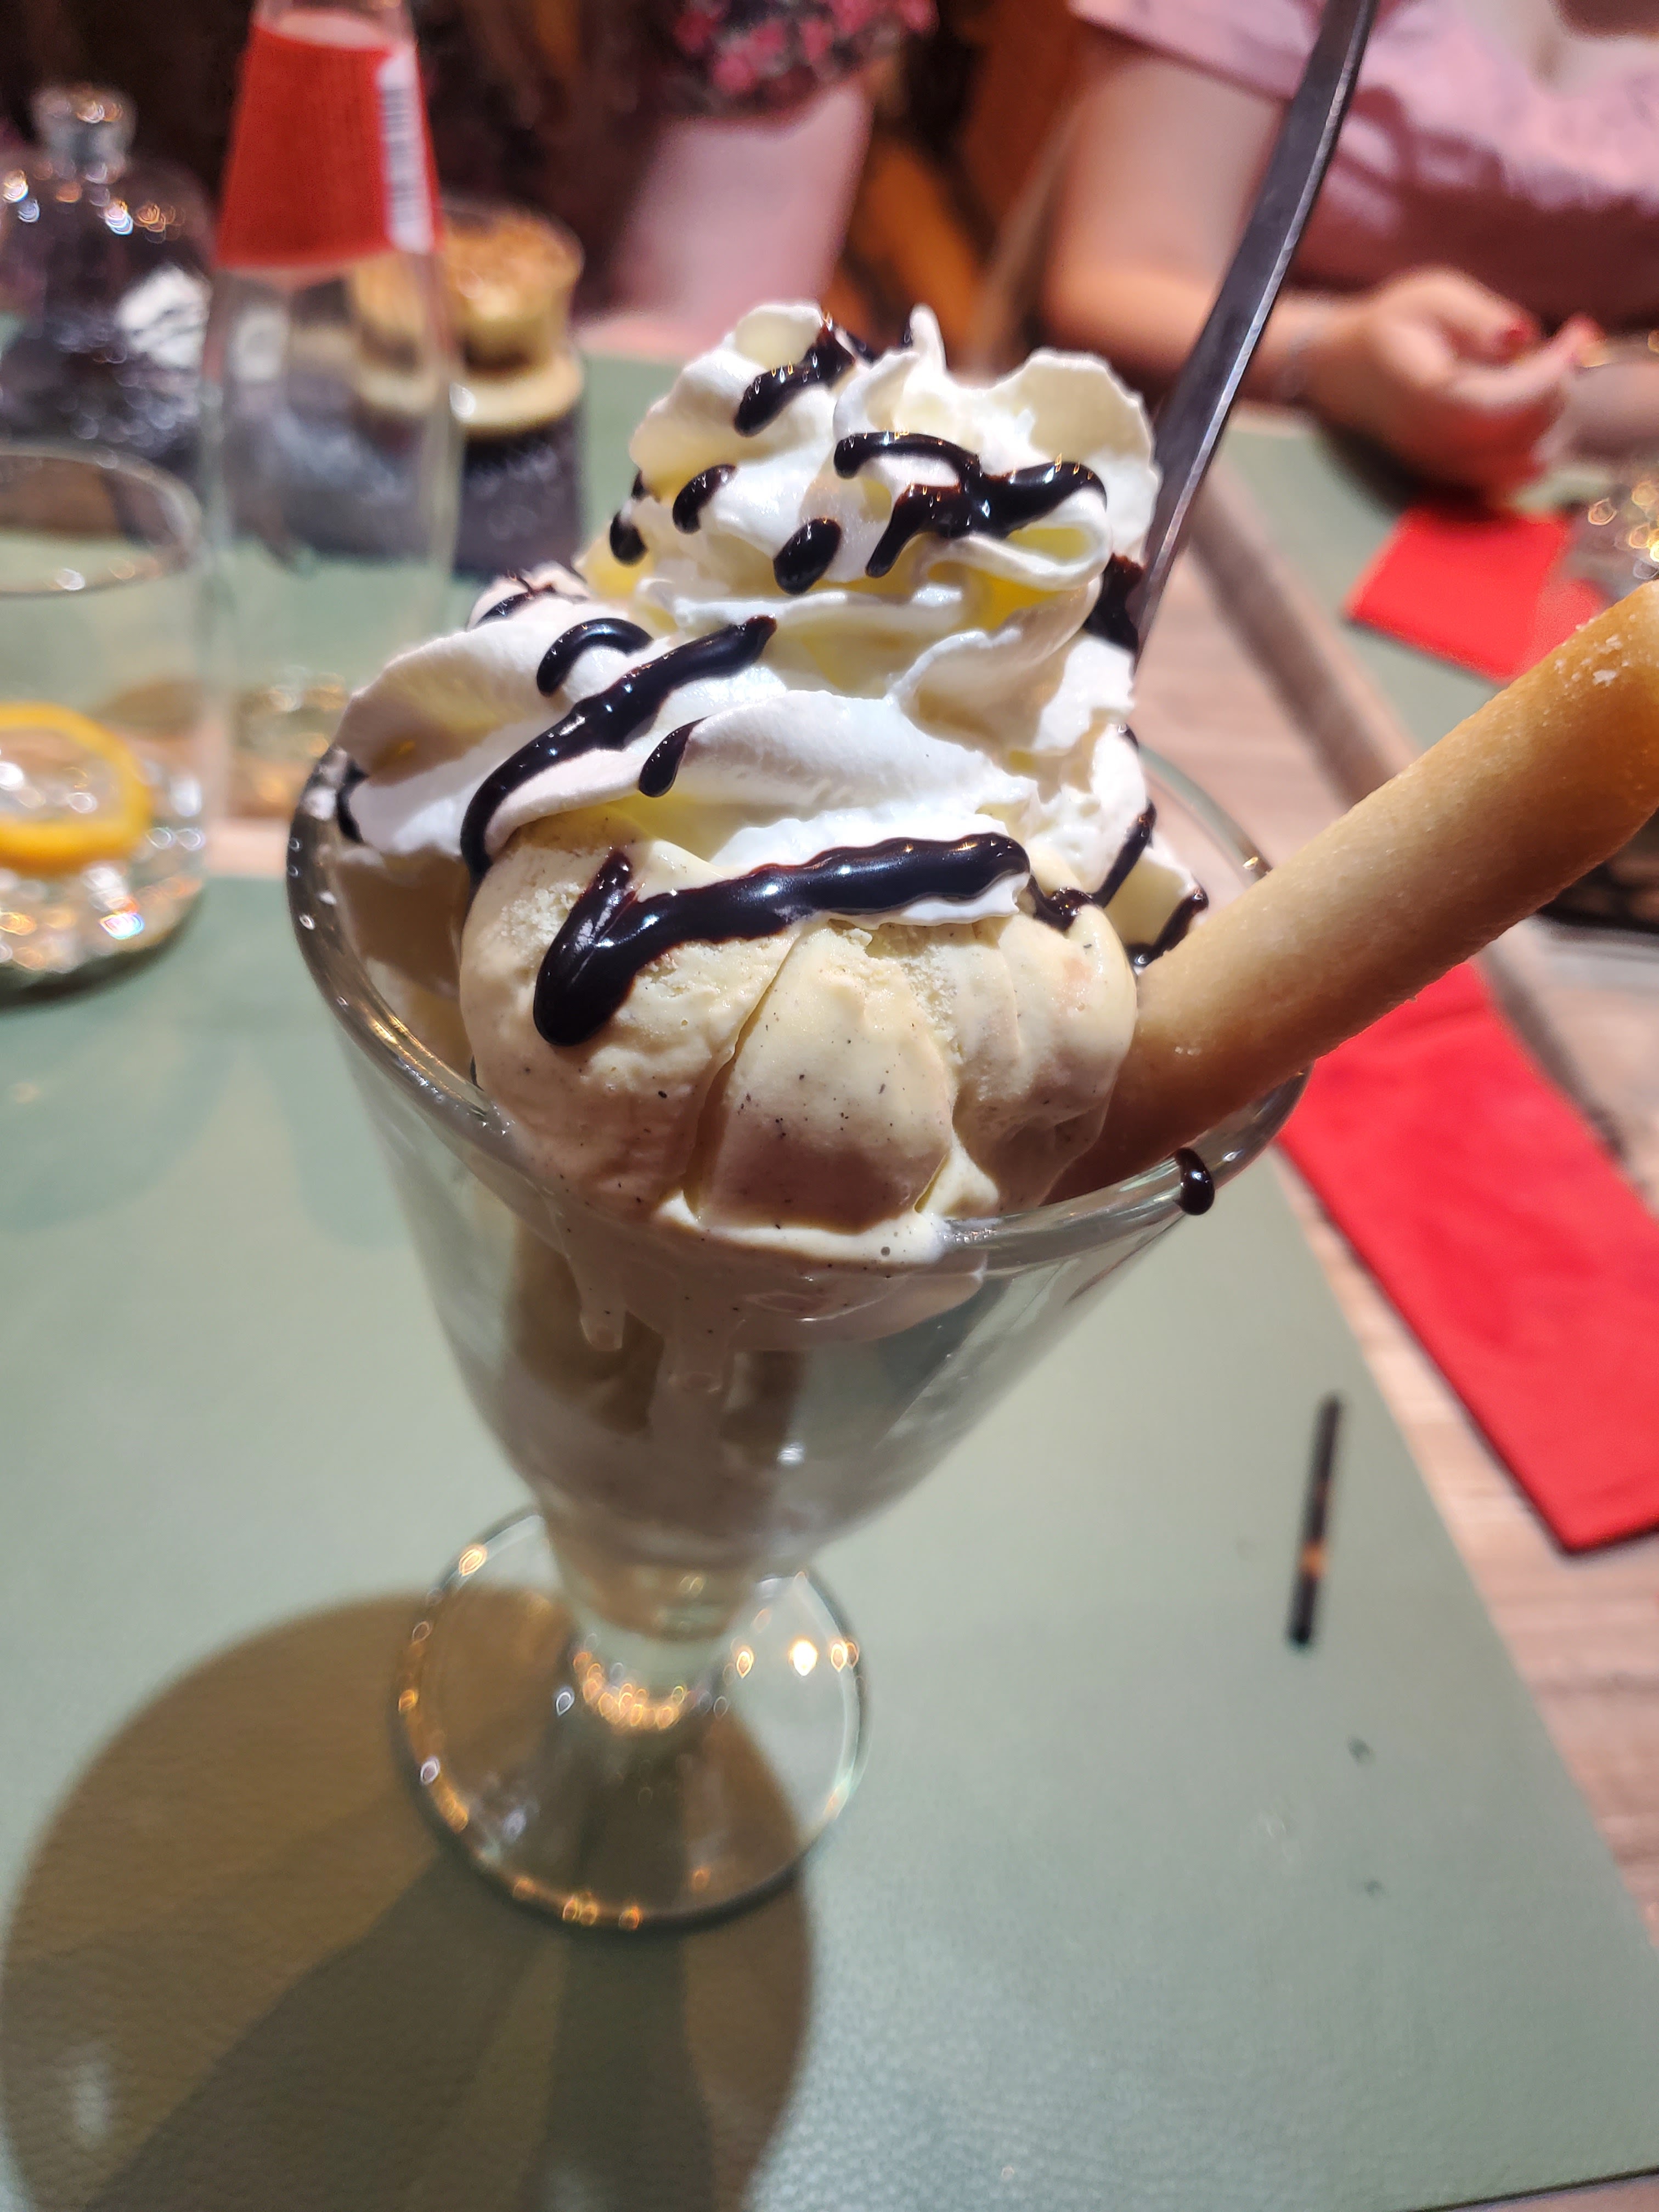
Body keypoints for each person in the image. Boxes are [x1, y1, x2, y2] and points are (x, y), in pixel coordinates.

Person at [1041, 0, 1659, 492]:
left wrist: (1554, 401)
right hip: (1197, 472)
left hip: (1541, 517)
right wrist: (1331, 356)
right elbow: (1118, 278)